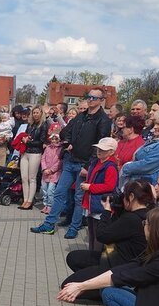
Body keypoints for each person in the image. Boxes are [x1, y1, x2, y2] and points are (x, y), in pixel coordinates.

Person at [31, 87, 112, 238]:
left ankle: (74, 227)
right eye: (89, 96)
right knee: (59, 193)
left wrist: (88, 166)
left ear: (101, 100)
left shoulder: (104, 120)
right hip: (70, 161)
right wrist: (68, 142)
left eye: (94, 98)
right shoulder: (81, 116)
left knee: (78, 198)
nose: (90, 100)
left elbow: (100, 145)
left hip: (84, 164)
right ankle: (49, 224)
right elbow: (64, 132)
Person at [64, 179, 153, 278]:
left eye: (125, 196)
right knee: (74, 258)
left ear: (131, 197)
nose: (123, 199)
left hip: (118, 265)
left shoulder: (131, 218)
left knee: (69, 282)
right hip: (119, 259)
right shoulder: (150, 214)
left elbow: (102, 235)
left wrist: (106, 211)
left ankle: (96, 283)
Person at [117, 109, 159, 190]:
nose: (155, 127)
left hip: (146, 187)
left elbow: (147, 165)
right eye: (155, 123)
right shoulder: (158, 140)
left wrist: (126, 167)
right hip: (138, 184)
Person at [79, 137, 119, 253]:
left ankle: (95, 257)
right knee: (91, 231)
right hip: (91, 201)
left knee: (98, 235)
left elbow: (109, 186)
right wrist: (87, 184)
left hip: (100, 203)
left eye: (103, 150)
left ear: (111, 152)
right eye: (98, 149)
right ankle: (91, 254)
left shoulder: (110, 166)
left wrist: (90, 187)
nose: (99, 151)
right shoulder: (96, 162)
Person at [40, 131, 63, 214]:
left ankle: (50, 206)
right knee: (44, 189)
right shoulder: (47, 148)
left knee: (50, 190)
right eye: (52, 139)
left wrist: (51, 170)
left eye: (55, 139)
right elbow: (43, 158)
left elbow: (59, 161)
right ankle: (45, 204)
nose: (53, 141)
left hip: (54, 173)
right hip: (45, 172)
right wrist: (44, 168)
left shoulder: (60, 149)